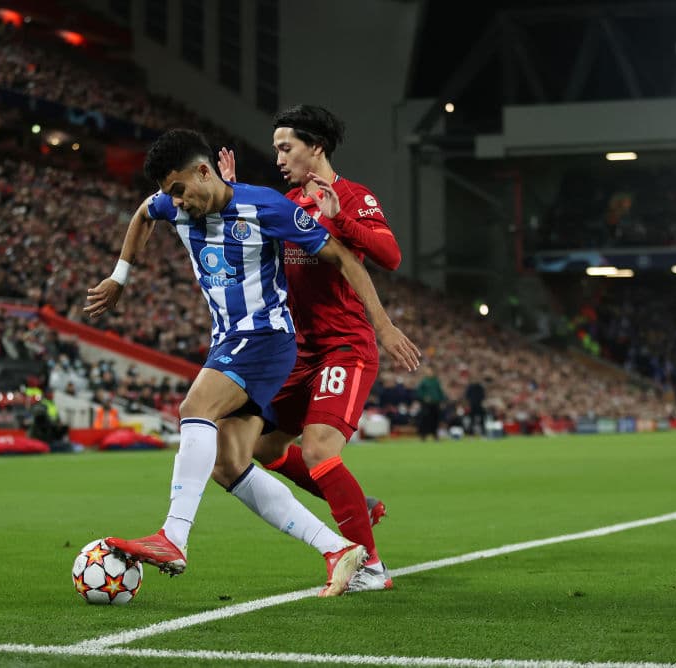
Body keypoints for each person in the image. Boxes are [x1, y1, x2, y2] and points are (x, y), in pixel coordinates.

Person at [85, 129, 420, 596]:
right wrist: (120, 276)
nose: (175, 203)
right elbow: (143, 213)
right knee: (231, 462)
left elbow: (342, 255)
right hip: (228, 340)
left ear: (204, 172)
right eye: (169, 193)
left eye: (180, 190)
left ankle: (173, 537)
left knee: (193, 408)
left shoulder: (266, 207)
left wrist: (382, 325)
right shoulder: (172, 203)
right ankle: (336, 549)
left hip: (265, 337)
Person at [217, 105, 405, 591]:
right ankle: (355, 507)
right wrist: (228, 198)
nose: (279, 157)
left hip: (344, 346)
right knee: (262, 446)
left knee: (320, 448)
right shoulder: (289, 201)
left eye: (286, 147)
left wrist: (341, 220)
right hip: (297, 351)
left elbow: (389, 255)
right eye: (277, 148)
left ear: (315, 147)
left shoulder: (354, 196)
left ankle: (371, 567)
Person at [416, 368, 446, 441]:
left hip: (435, 403)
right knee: (425, 420)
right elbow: (419, 392)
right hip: (426, 404)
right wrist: (424, 397)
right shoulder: (424, 381)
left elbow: (440, 392)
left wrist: (442, 400)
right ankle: (423, 435)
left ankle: (435, 434)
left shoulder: (436, 381)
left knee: (435, 420)